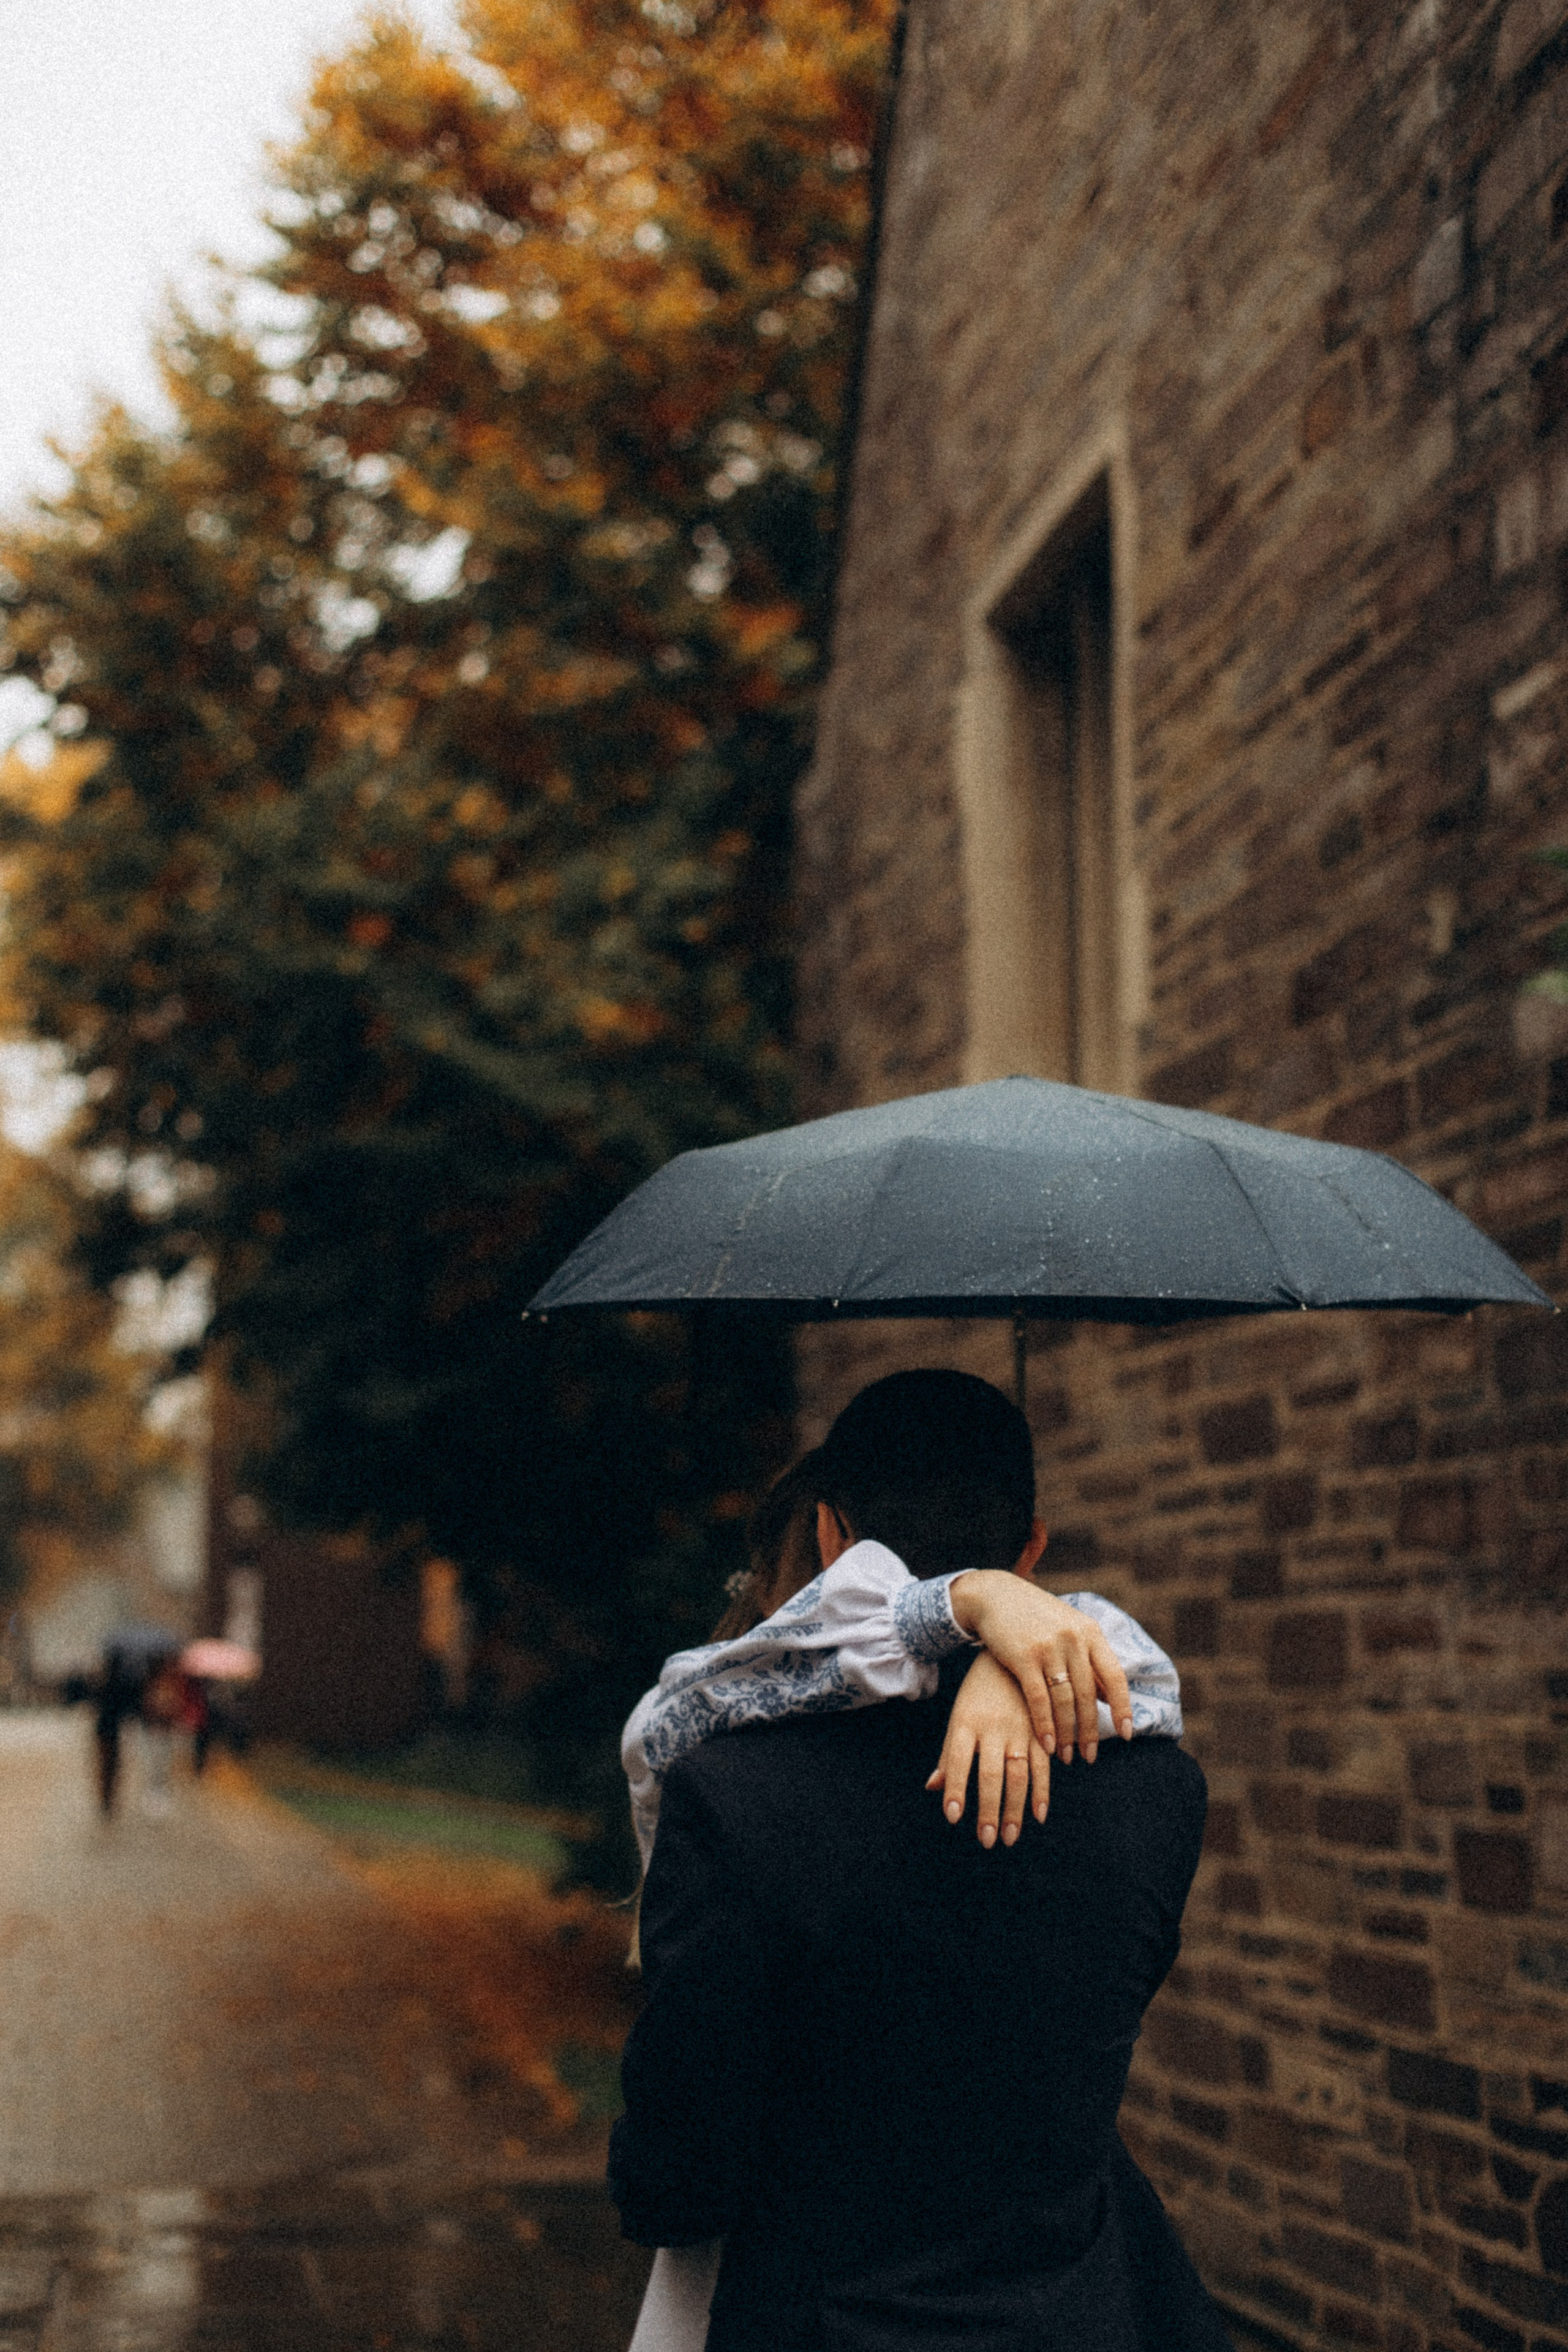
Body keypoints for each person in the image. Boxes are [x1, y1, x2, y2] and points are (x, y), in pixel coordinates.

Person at [611, 1370, 1231, 2352]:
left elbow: (678, 2178)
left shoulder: (730, 1794)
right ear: (1032, 1549)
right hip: (1081, 2317)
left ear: (828, 1538)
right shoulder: (1160, 1794)